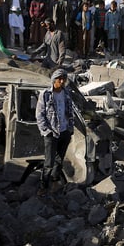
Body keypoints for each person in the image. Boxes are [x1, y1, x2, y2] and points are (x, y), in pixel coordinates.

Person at [35, 68, 76, 196]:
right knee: (49, 162)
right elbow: (39, 115)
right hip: (51, 133)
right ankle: (43, 187)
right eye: (60, 79)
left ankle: (54, 183)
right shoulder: (45, 94)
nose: (62, 81)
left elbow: (71, 111)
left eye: (64, 79)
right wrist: (46, 131)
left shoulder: (67, 93)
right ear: (54, 80)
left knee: (59, 160)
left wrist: (70, 128)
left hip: (64, 132)